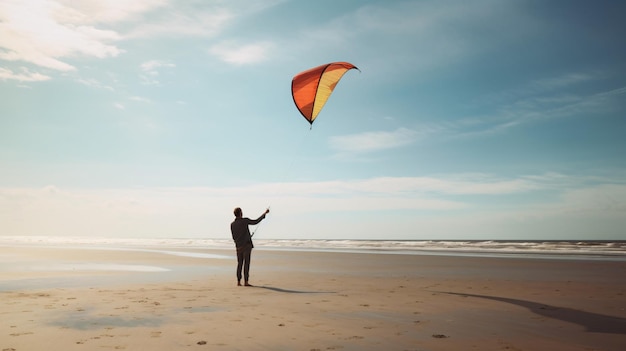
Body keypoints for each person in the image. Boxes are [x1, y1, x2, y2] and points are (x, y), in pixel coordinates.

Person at [230, 207, 269, 286]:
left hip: (238, 246)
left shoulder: (232, 224)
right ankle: (246, 281)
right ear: (240, 213)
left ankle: (238, 281)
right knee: (246, 264)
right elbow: (255, 221)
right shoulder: (245, 221)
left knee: (239, 264)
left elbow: (234, 237)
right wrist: (264, 214)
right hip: (246, 246)